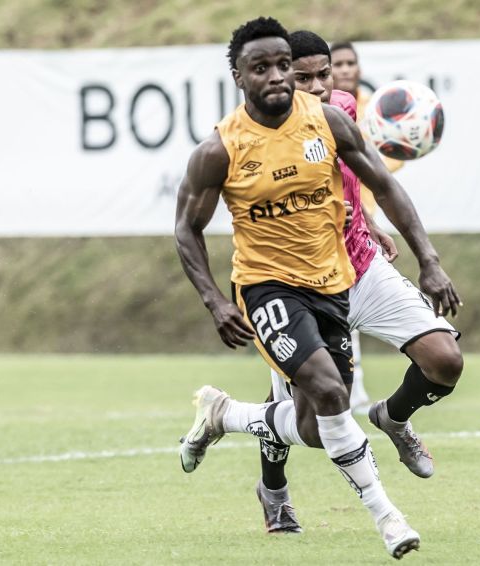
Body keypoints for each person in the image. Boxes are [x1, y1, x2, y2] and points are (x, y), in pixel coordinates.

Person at [175, 17, 458, 559]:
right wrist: (215, 300)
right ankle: (388, 517)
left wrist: (428, 258)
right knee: (332, 394)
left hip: (337, 280)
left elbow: (384, 185)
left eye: (285, 65)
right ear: (239, 76)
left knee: (312, 425)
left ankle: (224, 415)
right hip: (266, 287)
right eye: (264, 68)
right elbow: (186, 228)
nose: (280, 77)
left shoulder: (328, 121)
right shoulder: (221, 149)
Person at [249, 29, 463, 536]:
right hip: (299, 284)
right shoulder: (257, 137)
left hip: (362, 267)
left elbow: (365, 179)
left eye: (325, 74)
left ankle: (394, 415)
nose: (320, 86)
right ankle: (273, 489)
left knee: (446, 360)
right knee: (305, 421)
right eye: (306, 78)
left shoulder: (340, 109)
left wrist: (402, 244)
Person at [331, 40, 409, 411]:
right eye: (338, 64)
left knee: (354, 296)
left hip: (363, 214)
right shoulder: (319, 111)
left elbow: (382, 167)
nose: (345, 70)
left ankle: (356, 385)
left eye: (351, 63)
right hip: (331, 220)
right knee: (339, 299)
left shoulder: (372, 111)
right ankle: (353, 383)